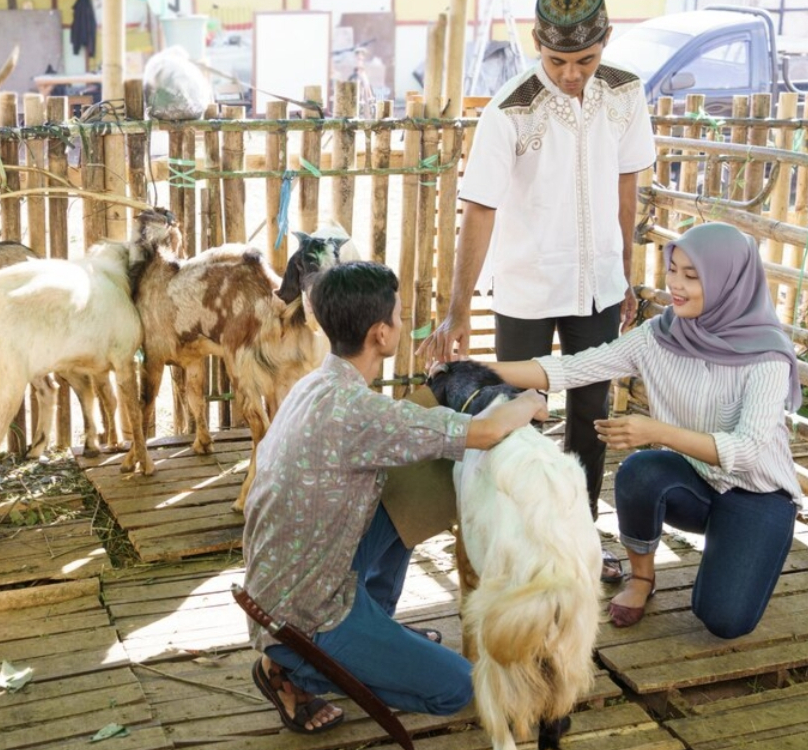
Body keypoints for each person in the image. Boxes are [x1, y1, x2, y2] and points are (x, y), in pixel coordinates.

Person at [241, 261, 548, 734]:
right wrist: (529, 401)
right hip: (304, 618)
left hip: (280, 585)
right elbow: (485, 433)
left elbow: (416, 432)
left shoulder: (317, 384)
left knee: (413, 481)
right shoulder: (361, 411)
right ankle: (293, 669)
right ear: (381, 334)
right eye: (401, 317)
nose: (404, 325)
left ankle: (374, 629)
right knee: (458, 688)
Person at [417, 0, 656, 585]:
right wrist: (455, 312)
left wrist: (624, 275)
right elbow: (479, 209)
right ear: (535, 44)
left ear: (606, 43)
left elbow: (626, 191)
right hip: (525, 288)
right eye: (557, 60)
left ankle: (579, 541)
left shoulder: (625, 93)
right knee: (513, 420)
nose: (572, 74)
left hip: (597, 287)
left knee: (591, 420)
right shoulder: (509, 107)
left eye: (585, 60)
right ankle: (517, 546)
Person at [485, 222, 802, 638]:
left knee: (724, 621)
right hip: (699, 482)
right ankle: (641, 578)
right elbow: (573, 367)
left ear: (729, 281)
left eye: (692, 276)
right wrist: (479, 370)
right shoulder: (661, 335)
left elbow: (746, 452)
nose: (676, 285)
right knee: (639, 472)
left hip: (758, 494)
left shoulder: (766, 354)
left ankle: (748, 543)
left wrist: (657, 431)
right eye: (674, 270)